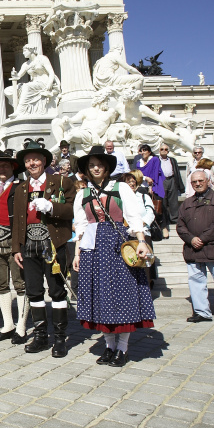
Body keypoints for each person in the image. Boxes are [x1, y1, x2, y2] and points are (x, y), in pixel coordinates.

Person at [72, 146, 155, 367]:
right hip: (93, 248)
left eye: (99, 164)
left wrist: (142, 241)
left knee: (122, 294)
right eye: (91, 165)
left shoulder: (121, 188)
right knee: (101, 296)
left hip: (118, 245)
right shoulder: (83, 193)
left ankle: (122, 348)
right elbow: (80, 225)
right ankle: (109, 346)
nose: (96, 168)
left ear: (107, 167)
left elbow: (133, 216)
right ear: (87, 170)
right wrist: (77, 252)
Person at [12, 139, 75, 357]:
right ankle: (40, 336)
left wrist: (52, 207)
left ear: (45, 161)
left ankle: (59, 338)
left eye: (36, 159)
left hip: (53, 245)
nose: (32, 163)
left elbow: (71, 211)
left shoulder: (61, 182)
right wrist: (16, 248)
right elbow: (17, 222)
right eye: (28, 160)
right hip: (29, 244)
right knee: (34, 291)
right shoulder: (21, 188)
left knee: (57, 291)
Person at [177, 170, 214, 327]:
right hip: (193, 249)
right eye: (194, 181)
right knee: (196, 282)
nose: (198, 183)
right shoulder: (187, 203)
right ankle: (202, 312)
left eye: (201, 180)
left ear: (208, 181)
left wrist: (202, 238)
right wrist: (191, 239)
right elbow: (180, 226)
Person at [0, 150, 30, 344]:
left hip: (14, 241)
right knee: (0, 283)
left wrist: (19, 244)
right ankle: (8, 324)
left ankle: (21, 326)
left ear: (13, 167)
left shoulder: (21, 186)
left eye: (5, 165)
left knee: (20, 284)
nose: (1, 169)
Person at [123, 170, 160, 287]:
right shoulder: (121, 198)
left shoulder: (143, 196)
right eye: (128, 182)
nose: (132, 184)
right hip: (127, 232)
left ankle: (146, 287)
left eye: (133, 181)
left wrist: (141, 223)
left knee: (144, 262)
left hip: (143, 232)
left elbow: (150, 212)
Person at [158, 144, 185, 238]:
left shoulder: (172, 160)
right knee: (163, 201)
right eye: (162, 149)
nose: (164, 151)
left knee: (173, 200)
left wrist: (180, 185)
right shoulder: (156, 160)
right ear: (159, 151)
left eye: (166, 149)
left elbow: (176, 171)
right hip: (162, 180)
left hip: (171, 179)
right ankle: (165, 221)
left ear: (168, 151)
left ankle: (175, 219)